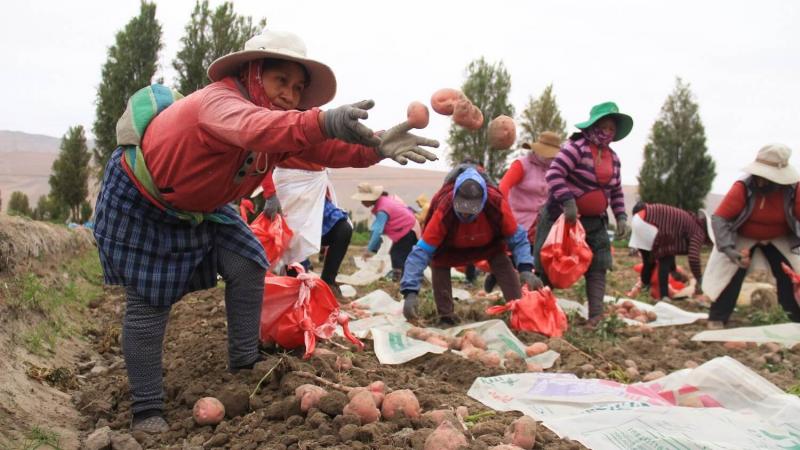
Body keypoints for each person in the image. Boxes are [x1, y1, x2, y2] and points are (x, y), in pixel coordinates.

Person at [93, 29, 439, 432]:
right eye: (281, 81)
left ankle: (244, 360)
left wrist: (375, 146)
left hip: (206, 206)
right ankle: (146, 408)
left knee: (248, 262)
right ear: (253, 72)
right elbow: (256, 127)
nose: (290, 95)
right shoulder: (218, 102)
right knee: (149, 303)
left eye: (298, 88)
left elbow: (323, 146)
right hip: (148, 200)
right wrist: (322, 120)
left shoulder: (276, 125)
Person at [400, 165, 541, 326]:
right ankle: (446, 317)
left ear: (482, 202)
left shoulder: (495, 204)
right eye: (461, 209)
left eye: (471, 210)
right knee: (438, 264)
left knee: (502, 261)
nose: (465, 214)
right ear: (455, 199)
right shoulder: (445, 209)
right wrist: (410, 292)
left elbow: (518, 239)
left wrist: (525, 269)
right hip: (449, 249)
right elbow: (421, 252)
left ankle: (519, 311)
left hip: (489, 245)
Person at [532, 101, 632, 326]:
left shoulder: (614, 158)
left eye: (611, 128)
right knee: (548, 264)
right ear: (593, 126)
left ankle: (595, 316)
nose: (607, 132)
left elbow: (616, 191)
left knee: (599, 264)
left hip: (595, 222)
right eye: (603, 127)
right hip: (562, 218)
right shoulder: (576, 148)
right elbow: (554, 174)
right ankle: (539, 312)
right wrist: (568, 202)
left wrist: (621, 216)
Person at [704, 144, 800, 328]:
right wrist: (729, 250)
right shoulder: (743, 187)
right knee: (732, 272)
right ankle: (718, 316)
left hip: (779, 236)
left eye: (767, 178)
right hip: (744, 234)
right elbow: (720, 218)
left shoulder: (794, 190)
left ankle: (794, 319)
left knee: (790, 274)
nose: (761, 182)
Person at [259, 160, 352, 296]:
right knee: (292, 243)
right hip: (290, 187)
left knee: (343, 229)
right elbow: (262, 157)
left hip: (316, 188)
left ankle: (328, 283)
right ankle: (293, 286)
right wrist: (270, 194)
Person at [484, 131, 561, 292]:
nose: (550, 158)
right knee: (516, 251)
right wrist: (502, 212)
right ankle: (498, 274)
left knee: (537, 255)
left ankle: (534, 291)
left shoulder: (556, 169)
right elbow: (503, 187)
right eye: (547, 154)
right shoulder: (522, 164)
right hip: (518, 217)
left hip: (542, 220)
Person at [626, 202, 710, 301]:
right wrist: (699, 279)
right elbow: (693, 257)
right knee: (665, 259)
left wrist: (673, 270)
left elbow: (672, 246)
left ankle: (644, 291)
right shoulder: (699, 231)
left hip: (639, 219)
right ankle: (664, 296)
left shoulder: (689, 222)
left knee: (649, 262)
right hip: (649, 221)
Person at [352, 182, 420, 281]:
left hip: (408, 229)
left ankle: (401, 279)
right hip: (409, 228)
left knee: (397, 255)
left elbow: (378, 231)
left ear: (369, 199)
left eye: (363, 200)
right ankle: (406, 278)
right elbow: (378, 231)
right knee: (400, 254)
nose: (362, 203)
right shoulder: (383, 202)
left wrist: (369, 250)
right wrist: (374, 249)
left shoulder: (382, 209)